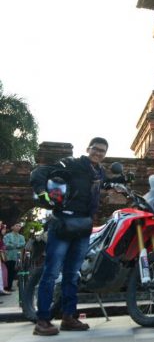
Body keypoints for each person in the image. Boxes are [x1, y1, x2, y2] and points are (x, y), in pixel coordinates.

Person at [29, 137, 112, 336]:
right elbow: (39, 172)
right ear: (88, 149)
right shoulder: (71, 164)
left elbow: (106, 183)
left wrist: (122, 181)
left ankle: (68, 317)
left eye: (102, 151)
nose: (98, 153)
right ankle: (42, 320)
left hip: (83, 226)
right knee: (51, 273)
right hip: (63, 224)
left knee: (72, 274)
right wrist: (42, 193)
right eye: (96, 149)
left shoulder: (98, 172)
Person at [3, 223, 26, 292]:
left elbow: (23, 244)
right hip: (8, 256)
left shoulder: (22, 237)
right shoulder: (7, 236)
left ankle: (9, 286)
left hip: (17, 257)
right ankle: (6, 287)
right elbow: (6, 245)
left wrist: (13, 244)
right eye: (16, 225)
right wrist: (17, 245)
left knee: (13, 272)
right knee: (7, 272)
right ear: (12, 227)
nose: (18, 227)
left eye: (19, 226)